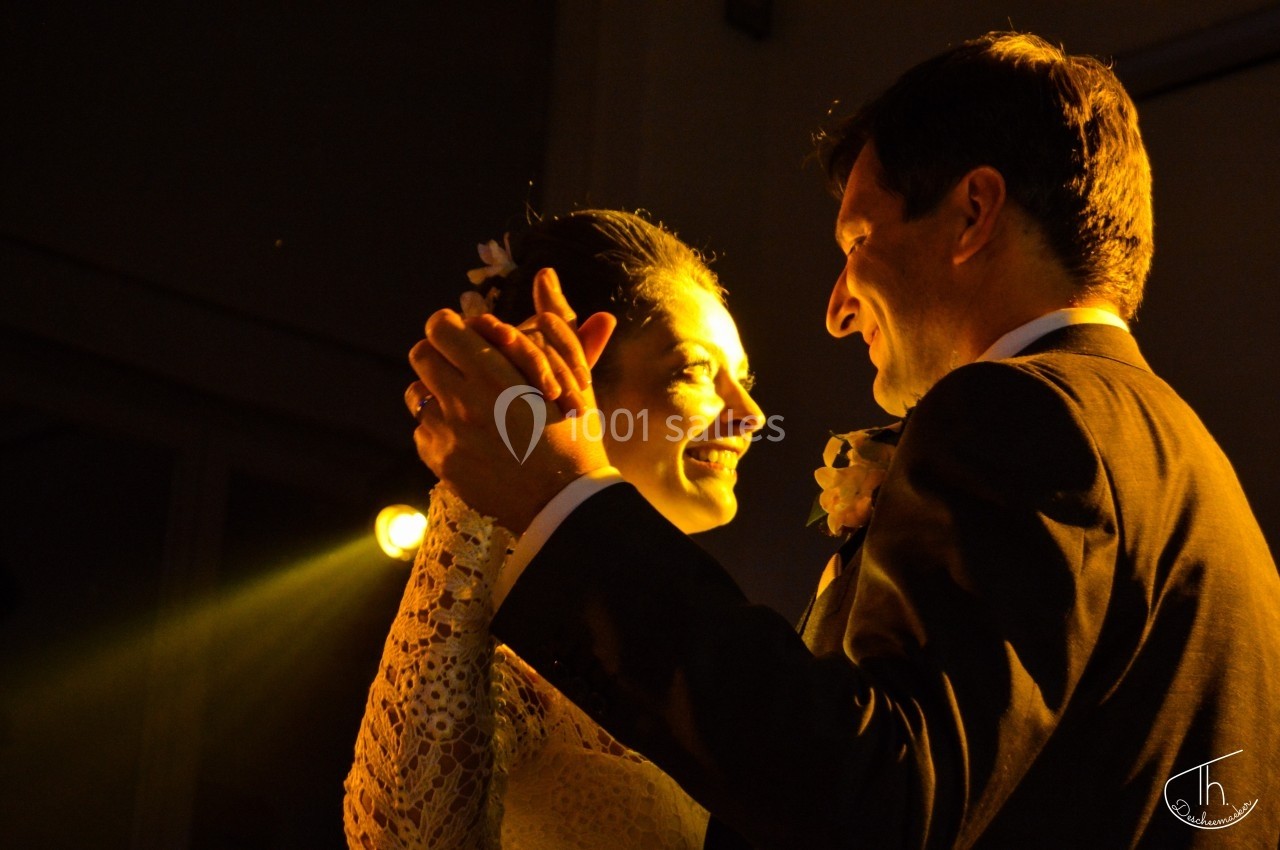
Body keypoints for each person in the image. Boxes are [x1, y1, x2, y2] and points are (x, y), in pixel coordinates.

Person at [403, 32, 1280, 848]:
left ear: (973, 213)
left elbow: (879, 794)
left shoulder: (1022, 414)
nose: (834, 311)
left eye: (859, 238)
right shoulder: (1188, 463)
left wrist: (568, 501)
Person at [344, 209, 764, 848]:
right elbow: (402, 836)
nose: (752, 414)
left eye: (746, 380)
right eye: (697, 371)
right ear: (573, 386)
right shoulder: (505, 671)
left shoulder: (700, 661)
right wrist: (494, 471)